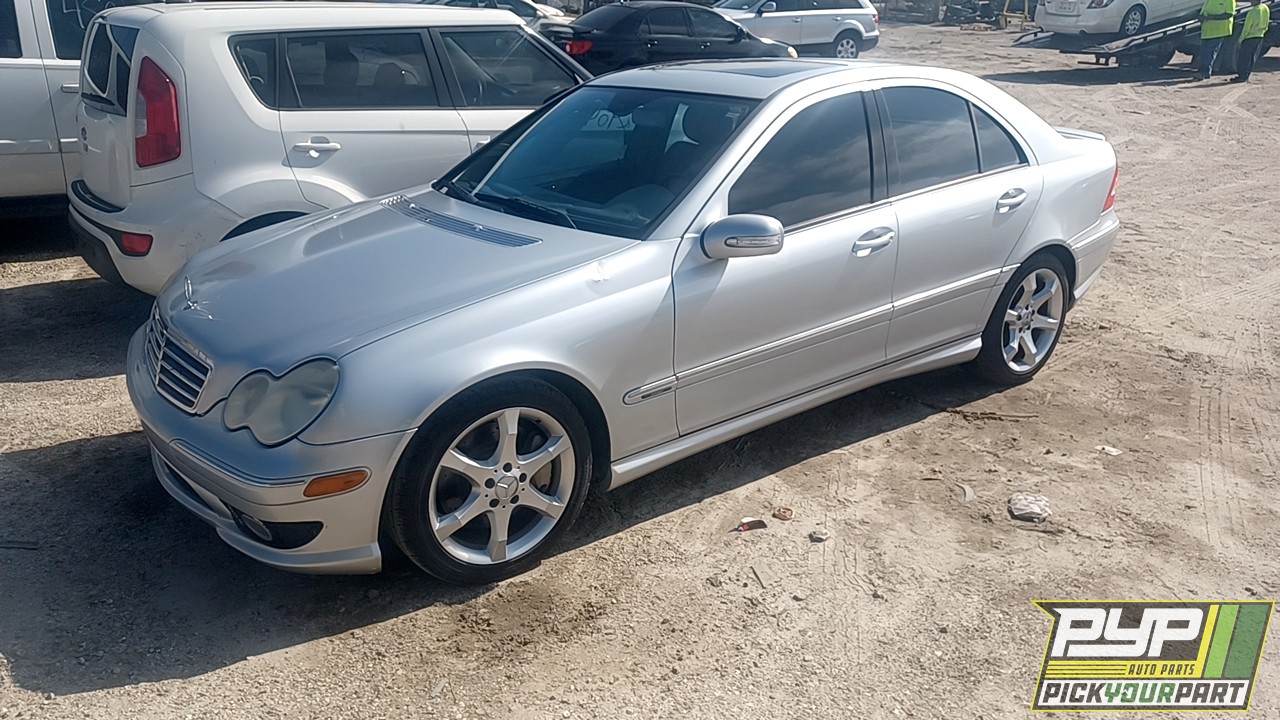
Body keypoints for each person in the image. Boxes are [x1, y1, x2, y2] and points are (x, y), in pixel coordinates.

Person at [1196, 0, 1237, 79]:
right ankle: (1203, 71)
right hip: (1207, 30)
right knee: (1204, 52)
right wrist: (1201, 16)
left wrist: (1211, 17)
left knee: (1209, 52)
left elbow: (1229, 14)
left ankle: (1204, 72)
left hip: (1219, 30)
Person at [1232, 0, 1271, 81]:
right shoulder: (1265, 8)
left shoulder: (1252, 12)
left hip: (1249, 37)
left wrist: (1240, 40)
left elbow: (1246, 28)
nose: (1250, 2)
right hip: (1259, 36)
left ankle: (1241, 76)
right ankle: (1246, 75)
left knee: (1243, 58)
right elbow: (1267, 22)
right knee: (1252, 57)